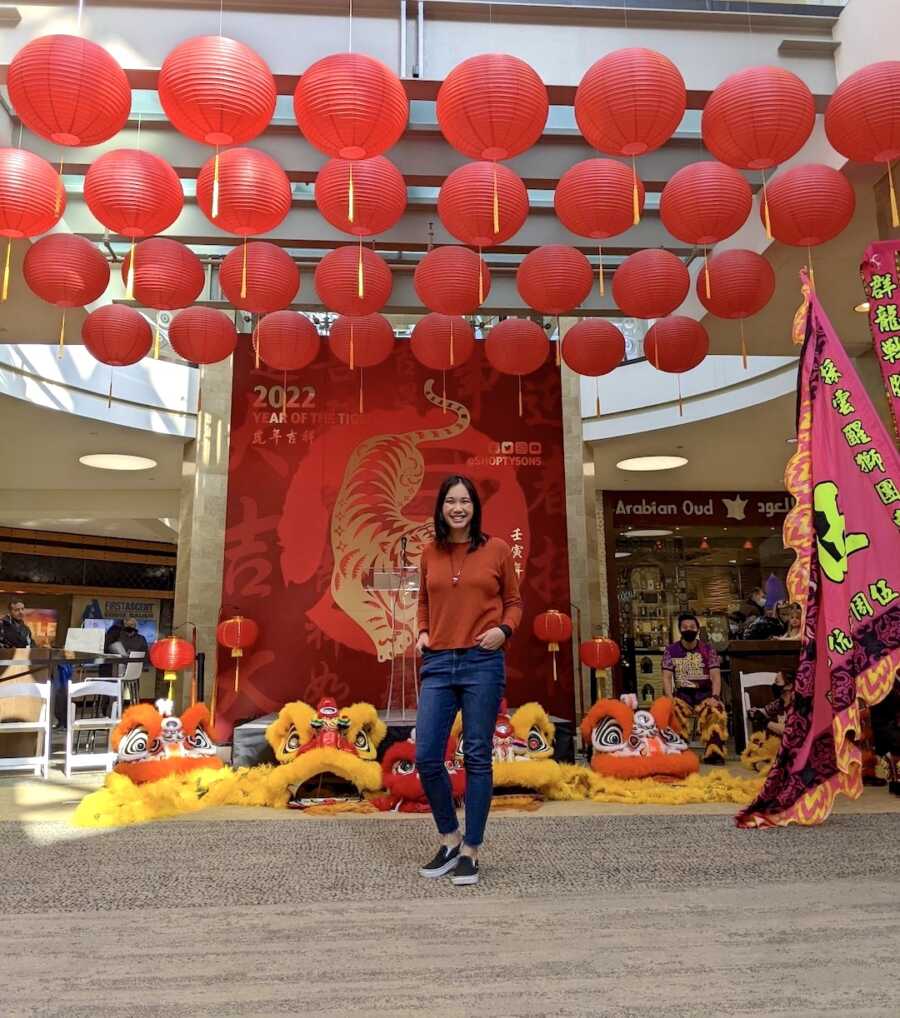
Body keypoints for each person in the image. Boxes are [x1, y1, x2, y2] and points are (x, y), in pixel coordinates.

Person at [414, 474, 522, 886]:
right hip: (439, 663)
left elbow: (513, 601)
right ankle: (449, 838)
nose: (458, 508)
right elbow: (423, 599)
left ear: (475, 507)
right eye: (450, 502)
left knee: (477, 756)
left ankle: (472, 849)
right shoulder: (429, 552)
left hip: (482, 661)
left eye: (465, 502)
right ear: (441, 508)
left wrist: (505, 631)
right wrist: (423, 631)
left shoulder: (495, 550)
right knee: (426, 755)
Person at [661, 612, 727, 765]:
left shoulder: (708, 650)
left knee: (716, 710)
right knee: (672, 709)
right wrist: (669, 697)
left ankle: (714, 754)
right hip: (682, 694)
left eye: (692, 626)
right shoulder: (670, 651)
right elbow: (666, 677)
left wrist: (715, 697)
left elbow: (716, 677)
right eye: (684, 627)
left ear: (697, 629)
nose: (688, 629)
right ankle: (678, 752)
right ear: (680, 630)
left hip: (705, 694)